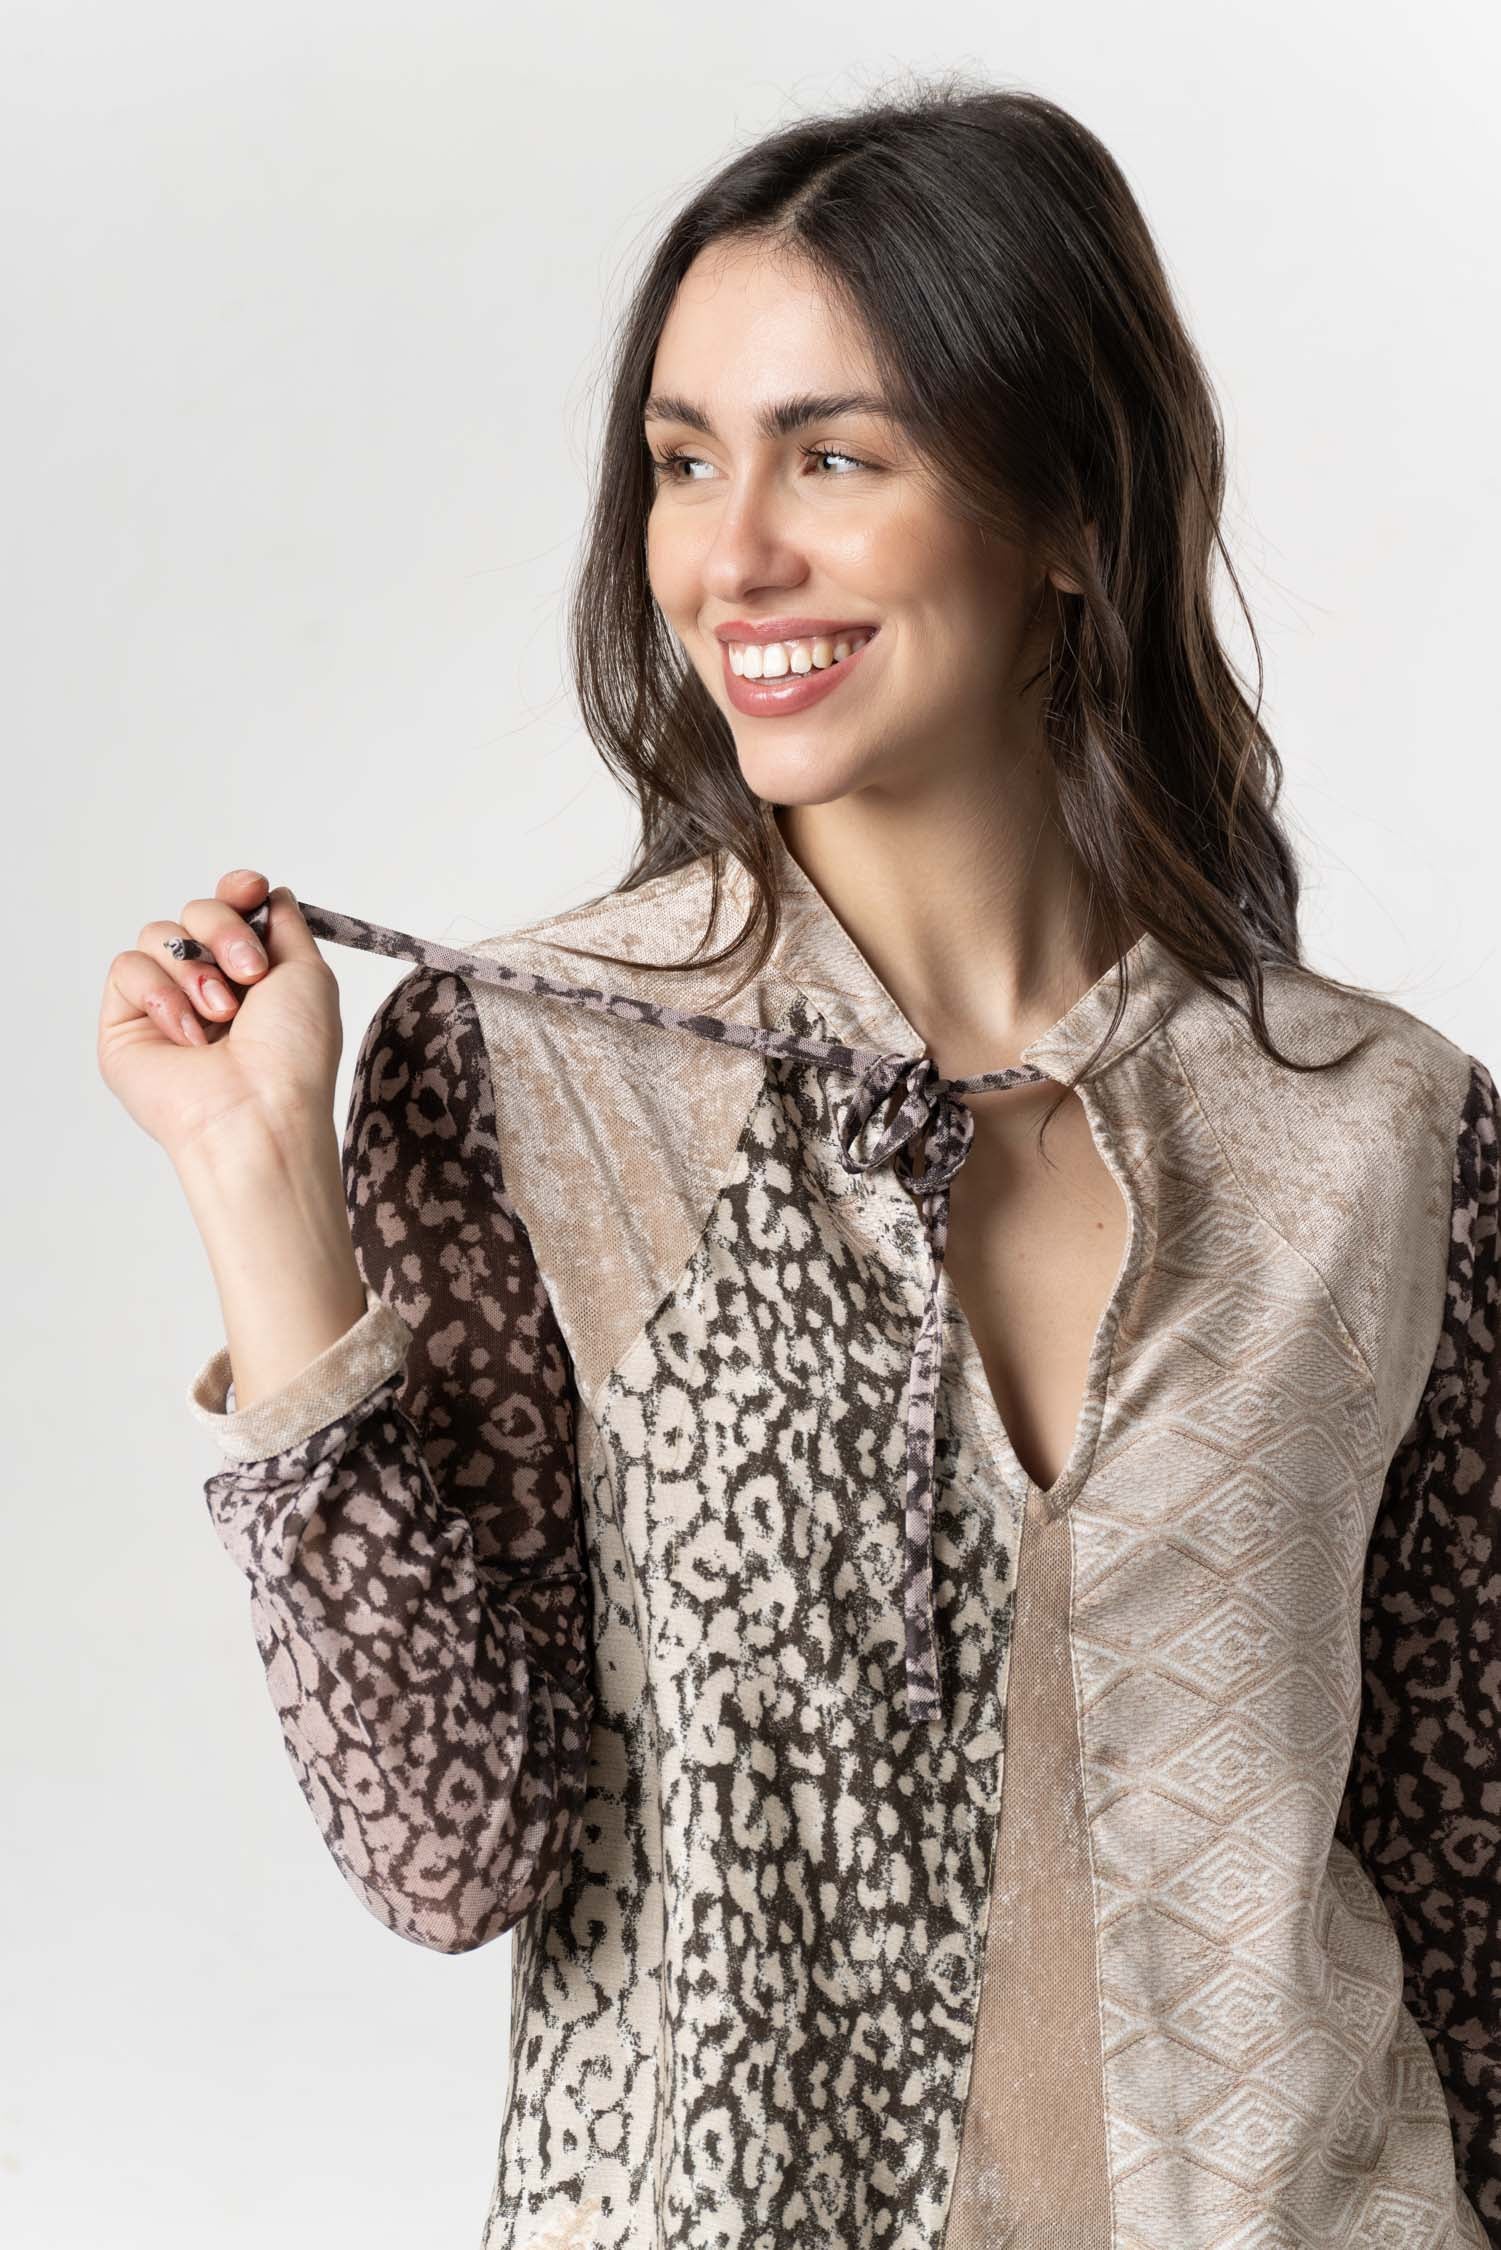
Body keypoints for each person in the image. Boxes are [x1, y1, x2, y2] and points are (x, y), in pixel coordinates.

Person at [98, 76, 1498, 2250]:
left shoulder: (1380, 1132)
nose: (728, 554)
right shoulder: (532, 1083)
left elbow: (1460, 1857)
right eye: (682, 462)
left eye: (832, 456)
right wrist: (258, 1184)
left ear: (1068, 511)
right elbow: (448, 1850)